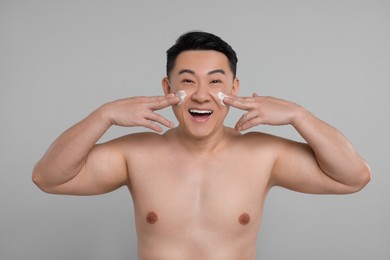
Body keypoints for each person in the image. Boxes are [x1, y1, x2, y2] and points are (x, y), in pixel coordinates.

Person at [32, 31, 371, 259]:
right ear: (168, 86)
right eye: (188, 80)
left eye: (215, 81)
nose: (201, 94)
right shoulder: (134, 154)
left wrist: (300, 116)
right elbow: (48, 178)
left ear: (234, 89)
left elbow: (354, 177)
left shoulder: (264, 155)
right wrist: (103, 115)